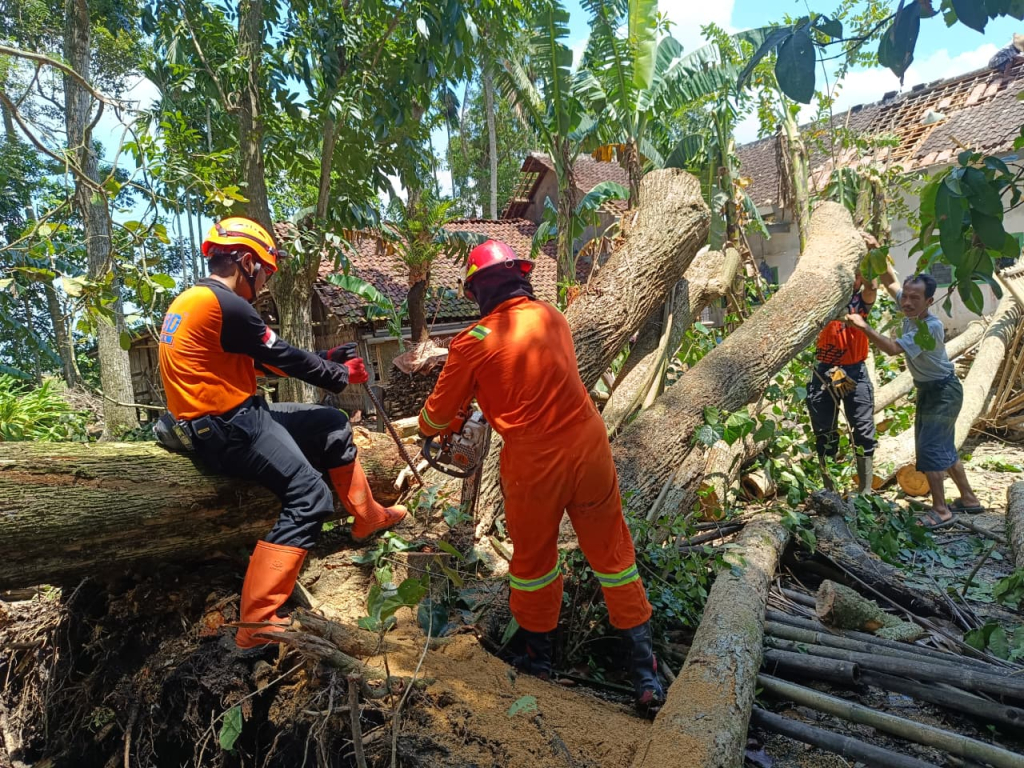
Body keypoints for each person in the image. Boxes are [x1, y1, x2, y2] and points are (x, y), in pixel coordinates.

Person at [416, 240, 665, 716]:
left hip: (534, 461)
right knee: (614, 555)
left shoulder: (471, 342)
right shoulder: (552, 317)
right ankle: (645, 674)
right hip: (590, 444)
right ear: (519, 277)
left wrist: (437, 427)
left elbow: (436, 417)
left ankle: (538, 658)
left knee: (533, 563)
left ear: (477, 292)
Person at [158, 216, 406, 649]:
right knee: (309, 496)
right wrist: (337, 373)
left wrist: (326, 358)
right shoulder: (226, 304)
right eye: (266, 273)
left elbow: (260, 360)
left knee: (330, 423)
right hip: (228, 427)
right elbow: (280, 355)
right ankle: (256, 621)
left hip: (230, 417)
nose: (267, 283)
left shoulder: (195, 301)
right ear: (246, 262)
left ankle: (366, 516)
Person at [845, 266, 983, 529]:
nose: (906, 302)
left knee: (931, 449)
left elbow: (893, 349)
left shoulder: (929, 327)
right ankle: (968, 499)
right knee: (943, 447)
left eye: (914, 298)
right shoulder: (909, 305)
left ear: (929, 301)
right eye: (905, 297)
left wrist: (864, 326)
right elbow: (890, 281)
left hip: (942, 392)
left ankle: (941, 510)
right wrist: (878, 255)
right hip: (931, 390)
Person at [807, 266, 878, 493]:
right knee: (823, 429)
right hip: (824, 372)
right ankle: (830, 488)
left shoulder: (860, 302)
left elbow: (872, 287)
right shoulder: (822, 302)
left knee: (863, 429)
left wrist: (870, 257)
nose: (852, 280)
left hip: (853, 370)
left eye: (856, 276)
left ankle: (865, 491)